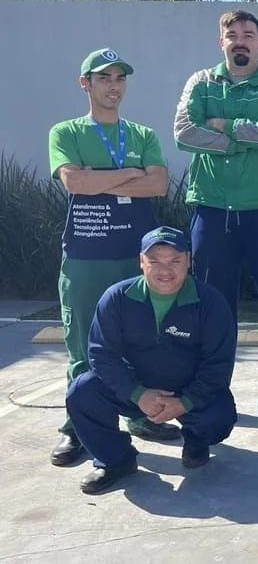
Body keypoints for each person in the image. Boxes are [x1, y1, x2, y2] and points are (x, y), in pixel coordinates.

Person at [48, 48, 178, 467]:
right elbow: (75, 182)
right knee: (83, 347)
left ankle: (141, 417)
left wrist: (99, 177)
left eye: (120, 78)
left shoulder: (142, 135)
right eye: (104, 78)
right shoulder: (66, 132)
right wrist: (130, 174)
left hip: (135, 259)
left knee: (139, 344)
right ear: (85, 83)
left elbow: (158, 185)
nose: (114, 86)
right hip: (86, 258)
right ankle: (79, 428)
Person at [173, 9, 258, 392]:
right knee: (213, 307)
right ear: (221, 42)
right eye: (232, 35)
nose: (240, 41)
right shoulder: (200, 82)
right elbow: (184, 133)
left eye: (248, 35)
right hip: (213, 209)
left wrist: (225, 126)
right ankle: (211, 393)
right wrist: (237, 144)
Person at [65, 227, 238, 494]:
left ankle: (196, 440)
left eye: (174, 260)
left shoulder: (211, 302)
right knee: (82, 391)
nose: (165, 270)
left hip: (187, 388)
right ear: (141, 262)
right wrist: (137, 394)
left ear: (188, 260)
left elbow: (219, 364)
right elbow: (101, 354)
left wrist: (184, 402)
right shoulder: (116, 298)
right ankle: (116, 460)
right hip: (136, 388)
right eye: (155, 261)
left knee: (219, 416)